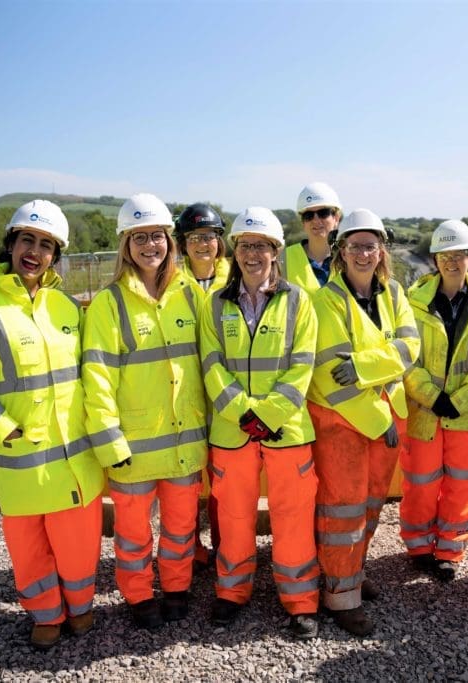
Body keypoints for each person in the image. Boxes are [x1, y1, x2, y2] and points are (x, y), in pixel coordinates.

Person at [0, 200, 105, 650]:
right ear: (11, 244)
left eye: (47, 245)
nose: (35, 252)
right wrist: (4, 429)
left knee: (79, 543)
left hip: (77, 459)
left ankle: (82, 605)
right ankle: (46, 614)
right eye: (27, 240)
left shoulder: (69, 309)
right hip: (21, 460)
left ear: (56, 255)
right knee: (30, 548)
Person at [82, 193, 208, 629]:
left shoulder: (190, 296)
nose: (149, 245)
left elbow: (208, 363)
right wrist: (108, 439)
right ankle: (138, 595)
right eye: (139, 237)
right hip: (131, 448)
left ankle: (176, 588)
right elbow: (96, 377)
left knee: (179, 529)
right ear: (125, 245)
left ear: (170, 241)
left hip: (184, 442)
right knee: (134, 535)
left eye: (156, 235)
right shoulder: (109, 304)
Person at [198, 206, 321, 640]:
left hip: (286, 431)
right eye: (245, 245)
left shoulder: (298, 301)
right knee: (232, 518)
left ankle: (301, 601)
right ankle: (232, 594)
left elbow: (303, 363)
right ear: (235, 251)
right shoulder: (216, 303)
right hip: (233, 434)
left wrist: (266, 415)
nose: (253, 254)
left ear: (276, 251)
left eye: (262, 246)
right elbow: (210, 362)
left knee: (293, 518)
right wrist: (243, 413)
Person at [308, 208, 420, 636]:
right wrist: (377, 419)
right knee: (342, 513)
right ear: (341, 252)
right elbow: (331, 373)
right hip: (343, 423)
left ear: (381, 251)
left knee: (370, 505)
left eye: (370, 245)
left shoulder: (392, 293)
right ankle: (339, 595)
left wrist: (364, 365)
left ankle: (353, 571)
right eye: (354, 245)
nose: (363, 253)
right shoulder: (325, 302)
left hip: (387, 419)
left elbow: (410, 348)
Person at [400, 220, 468, 582]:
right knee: (420, 483)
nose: (453, 262)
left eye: (460, 255)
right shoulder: (413, 301)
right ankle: (419, 546)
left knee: (462, 485)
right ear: (434, 259)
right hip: (425, 411)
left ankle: (449, 550)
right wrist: (431, 396)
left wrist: (457, 400)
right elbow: (406, 356)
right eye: (446, 255)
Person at [173, 202, 230, 569]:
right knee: (188, 481)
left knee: (225, 484)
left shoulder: (237, 278)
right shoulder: (171, 283)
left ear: (219, 241)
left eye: (209, 236)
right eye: (194, 237)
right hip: (185, 395)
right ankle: (190, 551)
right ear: (182, 244)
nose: (202, 244)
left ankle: (227, 548)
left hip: (227, 394)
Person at [283, 181, 342, 294]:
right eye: (308, 215)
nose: (315, 220)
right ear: (303, 222)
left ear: (336, 218)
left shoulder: (351, 258)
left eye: (323, 213)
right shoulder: (283, 260)